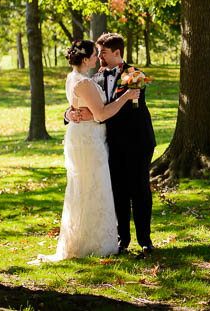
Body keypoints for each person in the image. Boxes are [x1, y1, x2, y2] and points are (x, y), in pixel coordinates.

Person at [36, 40, 140, 263]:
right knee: (92, 187)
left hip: (88, 138)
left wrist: (71, 115)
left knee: (87, 187)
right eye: (95, 55)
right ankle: (93, 243)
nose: (98, 58)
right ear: (85, 59)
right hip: (88, 142)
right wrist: (125, 97)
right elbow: (101, 114)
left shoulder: (75, 78)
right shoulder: (84, 82)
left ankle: (89, 240)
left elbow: (85, 110)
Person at [67, 33, 157, 256]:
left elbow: (127, 110)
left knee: (140, 191)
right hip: (108, 144)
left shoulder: (134, 75)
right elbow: (83, 102)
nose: (99, 57)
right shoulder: (93, 79)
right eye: (97, 53)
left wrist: (96, 115)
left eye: (103, 53)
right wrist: (70, 114)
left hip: (137, 142)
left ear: (117, 53)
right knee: (117, 192)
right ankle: (121, 240)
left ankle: (145, 240)